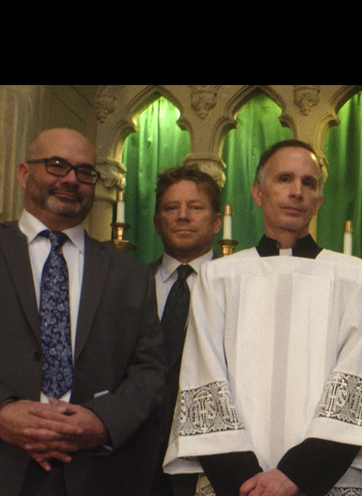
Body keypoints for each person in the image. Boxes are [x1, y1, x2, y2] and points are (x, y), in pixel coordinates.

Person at [0, 128, 165, 496]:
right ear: (25, 173)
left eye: (84, 171)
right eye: (57, 165)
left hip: (91, 474)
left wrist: (102, 422)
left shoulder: (131, 274)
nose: (71, 179)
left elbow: (150, 370)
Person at [163, 139, 362, 496]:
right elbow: (203, 379)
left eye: (308, 183)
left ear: (319, 200)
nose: (297, 191)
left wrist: (296, 476)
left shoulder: (355, 277)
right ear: (258, 192)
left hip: (329, 478)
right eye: (284, 179)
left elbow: (358, 381)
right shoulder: (219, 277)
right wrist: (248, 483)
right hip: (237, 484)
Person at [147, 165, 223, 496]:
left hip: (213, 458)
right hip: (134, 456)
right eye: (171, 208)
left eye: (195, 207)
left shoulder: (235, 285)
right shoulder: (127, 282)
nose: (183, 216)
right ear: (156, 221)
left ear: (217, 221)